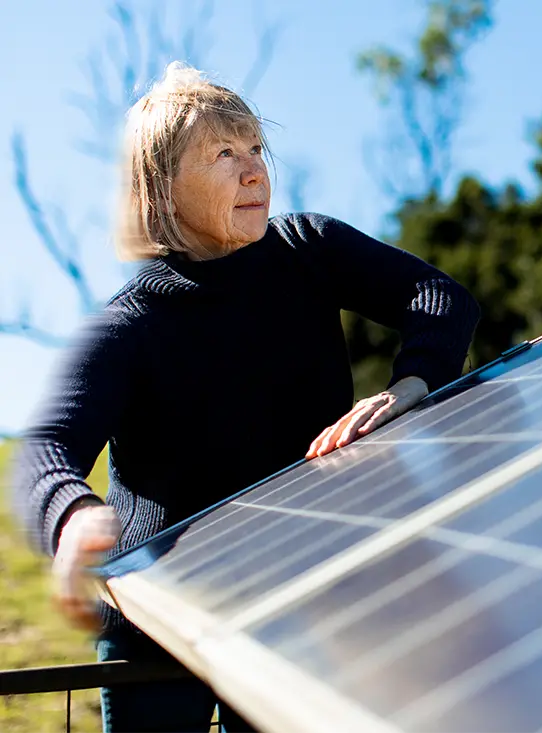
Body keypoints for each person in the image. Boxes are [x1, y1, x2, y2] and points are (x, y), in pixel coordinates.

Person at [13, 62, 480, 732]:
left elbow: (440, 300)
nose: (254, 170)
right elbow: (47, 449)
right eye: (224, 154)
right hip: (160, 618)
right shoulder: (128, 325)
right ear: (165, 190)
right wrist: (72, 515)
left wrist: (410, 384)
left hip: (294, 595)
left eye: (257, 148)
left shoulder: (308, 249)